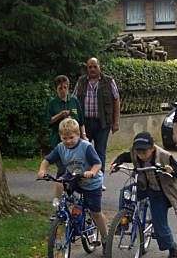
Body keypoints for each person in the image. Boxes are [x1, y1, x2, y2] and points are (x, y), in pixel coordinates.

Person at [110, 132, 177, 258]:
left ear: (152, 148)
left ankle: (172, 247)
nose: (141, 155)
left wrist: (170, 169)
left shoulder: (164, 156)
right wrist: (116, 163)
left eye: (145, 152)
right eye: (138, 152)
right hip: (143, 186)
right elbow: (124, 156)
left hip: (160, 191)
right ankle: (124, 219)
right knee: (126, 192)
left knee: (159, 223)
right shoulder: (135, 153)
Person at [38, 118, 108, 247]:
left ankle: (105, 238)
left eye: (71, 138)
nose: (68, 141)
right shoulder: (60, 148)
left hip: (91, 181)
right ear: (60, 137)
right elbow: (47, 160)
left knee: (95, 212)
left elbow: (98, 164)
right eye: (64, 138)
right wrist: (42, 170)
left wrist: (91, 172)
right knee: (59, 182)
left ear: (78, 135)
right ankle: (59, 208)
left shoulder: (86, 147)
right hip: (74, 175)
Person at [74, 57, 120, 189]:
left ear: (100, 67)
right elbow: (74, 100)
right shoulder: (81, 81)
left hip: (102, 124)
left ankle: (99, 180)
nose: (92, 69)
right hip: (84, 123)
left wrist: (116, 122)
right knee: (83, 151)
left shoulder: (109, 81)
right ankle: (83, 178)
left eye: (95, 66)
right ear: (87, 68)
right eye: (90, 67)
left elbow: (116, 100)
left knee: (100, 152)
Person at [45, 75, 86, 149]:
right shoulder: (52, 103)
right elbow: (48, 121)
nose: (63, 90)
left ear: (68, 87)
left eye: (65, 87)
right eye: (60, 88)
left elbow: (81, 121)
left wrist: (84, 135)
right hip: (58, 139)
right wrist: (60, 115)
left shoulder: (74, 100)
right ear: (56, 89)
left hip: (74, 139)